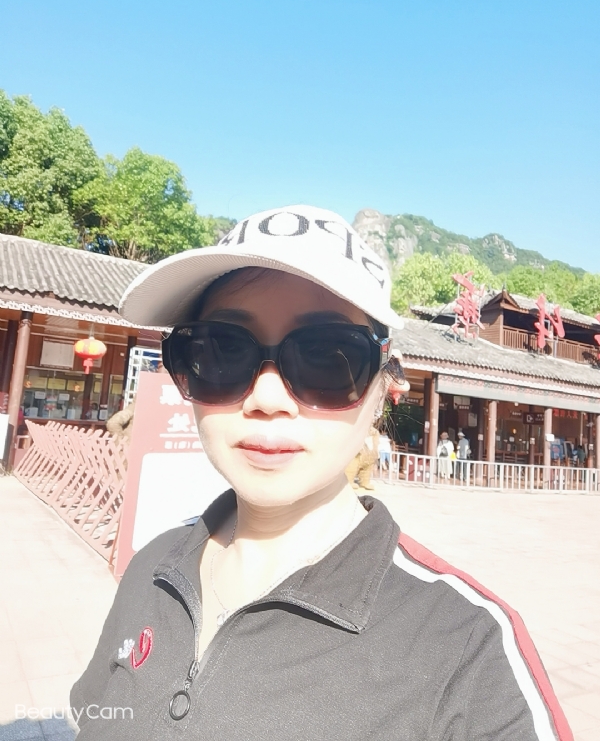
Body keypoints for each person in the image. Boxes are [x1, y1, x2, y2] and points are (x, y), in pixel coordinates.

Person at [71, 205, 570, 740]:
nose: (266, 399)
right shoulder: (153, 567)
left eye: (327, 359)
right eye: (222, 351)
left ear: (384, 387)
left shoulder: (469, 653)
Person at [345, 425, 378, 489]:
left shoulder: (375, 432)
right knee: (352, 467)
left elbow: (376, 443)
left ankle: (365, 483)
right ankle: (349, 481)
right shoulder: (358, 429)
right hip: (358, 455)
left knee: (367, 470)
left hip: (369, 456)